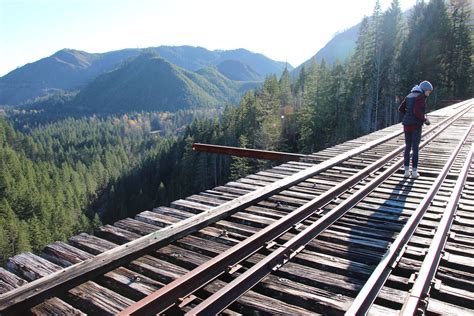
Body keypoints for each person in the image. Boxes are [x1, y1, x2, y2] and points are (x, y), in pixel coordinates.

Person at [398, 80, 433, 178]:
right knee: (415, 148)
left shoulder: (410, 95)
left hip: (406, 125)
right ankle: (414, 173)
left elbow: (401, 108)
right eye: (429, 91)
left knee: (407, 147)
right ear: (424, 89)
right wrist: (425, 120)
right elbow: (417, 111)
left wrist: (408, 115)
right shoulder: (420, 97)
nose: (428, 94)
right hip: (416, 126)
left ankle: (406, 172)